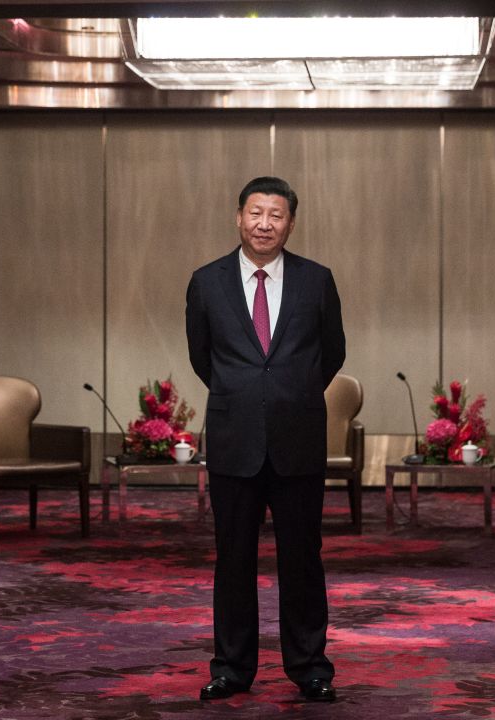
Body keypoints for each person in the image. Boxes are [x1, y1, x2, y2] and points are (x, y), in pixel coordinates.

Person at [186, 176, 345, 703]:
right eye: (256, 213)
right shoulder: (206, 282)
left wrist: (289, 392)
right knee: (233, 559)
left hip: (298, 438)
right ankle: (232, 668)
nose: (265, 224)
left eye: (276, 216)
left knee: (303, 557)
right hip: (235, 440)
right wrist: (245, 393)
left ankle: (310, 667)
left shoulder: (316, 280)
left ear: (291, 223)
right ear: (238, 217)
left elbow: (333, 352)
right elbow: (202, 356)